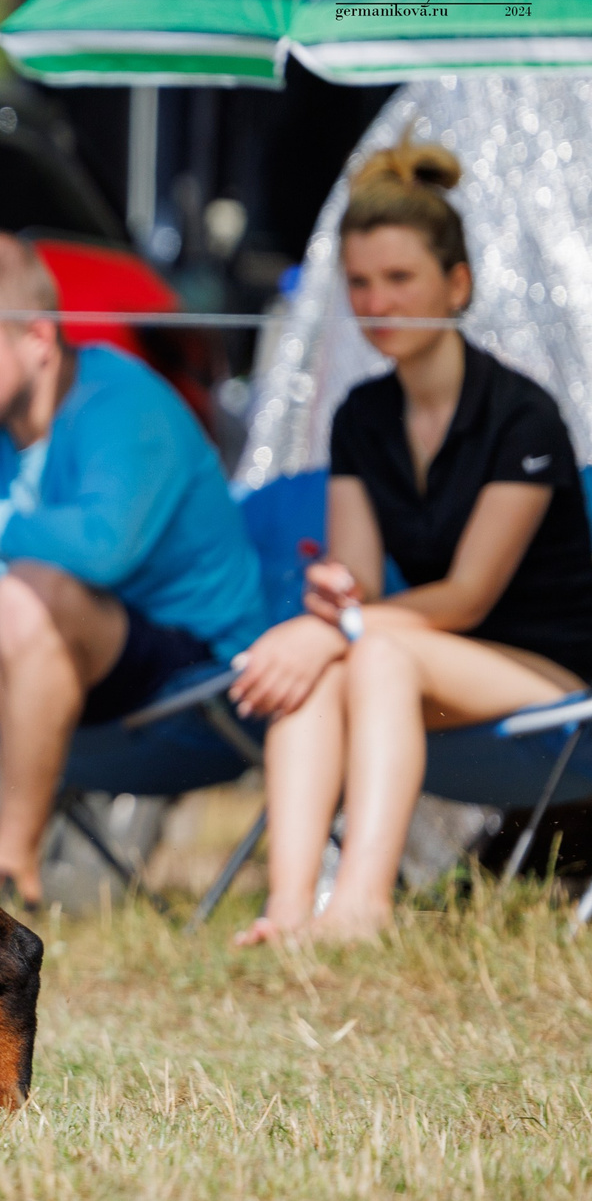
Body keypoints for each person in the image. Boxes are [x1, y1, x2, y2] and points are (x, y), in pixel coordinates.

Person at [230, 143, 592, 945]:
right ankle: (289, 912)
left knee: (366, 654)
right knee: (330, 663)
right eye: (360, 283)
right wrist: (337, 600)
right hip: (435, 654)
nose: (378, 303)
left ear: (456, 286)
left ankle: (362, 906)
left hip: (550, 674)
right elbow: (360, 579)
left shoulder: (521, 416)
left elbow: (468, 596)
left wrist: (330, 626)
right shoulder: (362, 416)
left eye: (400, 281)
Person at [0, 230, 266, 907]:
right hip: (45, 666)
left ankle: (7, 868)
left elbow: (100, 548)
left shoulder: (124, 405)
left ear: (37, 339)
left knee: (30, 591)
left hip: (194, 680)